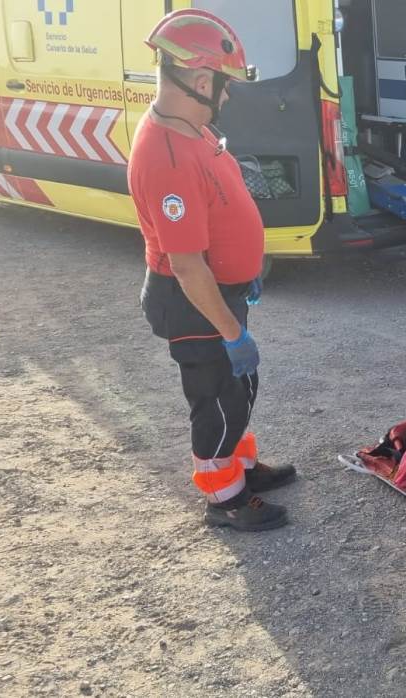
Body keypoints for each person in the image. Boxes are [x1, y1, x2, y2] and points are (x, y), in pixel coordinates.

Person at [130, 9, 294, 532]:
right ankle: (223, 496)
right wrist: (229, 330)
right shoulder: (169, 155)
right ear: (200, 80)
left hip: (221, 292)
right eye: (222, 87)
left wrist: (247, 269)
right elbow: (185, 264)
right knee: (216, 395)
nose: (224, 98)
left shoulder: (189, 128)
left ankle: (241, 468)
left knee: (239, 387)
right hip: (192, 298)